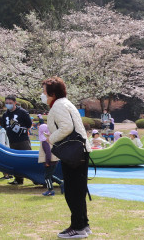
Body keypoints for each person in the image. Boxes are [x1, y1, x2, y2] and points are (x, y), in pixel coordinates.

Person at [44, 76, 91, 239]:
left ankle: (77, 227)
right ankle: (83, 224)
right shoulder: (66, 103)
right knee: (78, 190)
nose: (43, 95)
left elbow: (66, 127)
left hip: (73, 152)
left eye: (45, 92)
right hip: (81, 150)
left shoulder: (58, 105)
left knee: (72, 191)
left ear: (52, 93)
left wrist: (51, 138)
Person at [0, 95, 33, 185]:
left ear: (15, 102)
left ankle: (36, 177)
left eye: (10, 103)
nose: (8, 105)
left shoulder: (22, 112)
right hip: (12, 141)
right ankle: (18, 179)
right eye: (6, 103)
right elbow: (3, 124)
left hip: (22, 140)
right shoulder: (5, 114)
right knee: (16, 161)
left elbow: (29, 124)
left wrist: (22, 129)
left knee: (28, 159)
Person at [38, 123, 62, 196]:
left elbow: (48, 152)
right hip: (55, 159)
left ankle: (50, 190)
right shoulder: (51, 137)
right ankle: (62, 183)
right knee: (50, 175)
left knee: (47, 177)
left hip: (50, 160)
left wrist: (47, 162)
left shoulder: (44, 140)